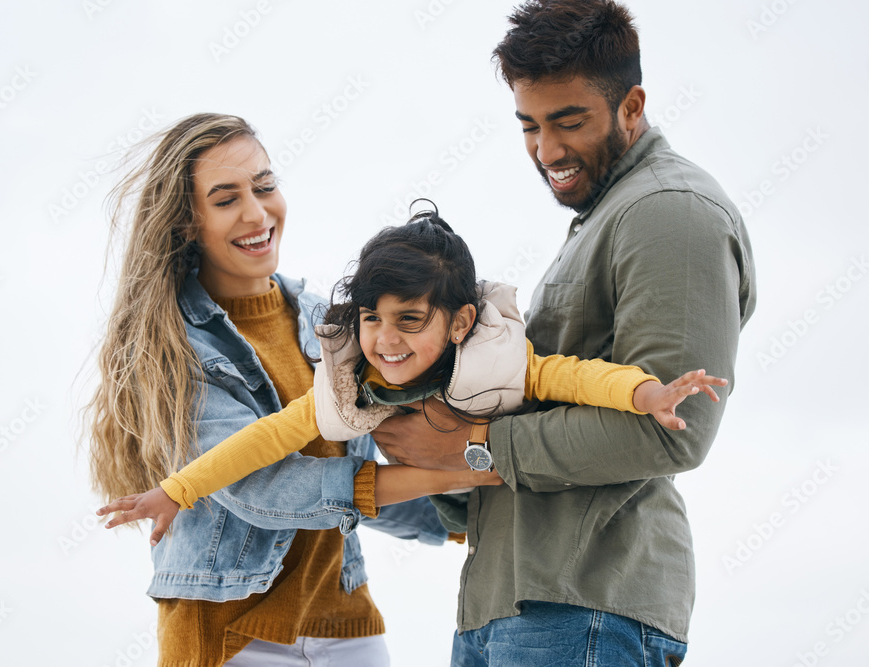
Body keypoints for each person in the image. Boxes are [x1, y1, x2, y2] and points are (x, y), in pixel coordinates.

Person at [370, 2, 757, 665]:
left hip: (583, 611)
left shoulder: (668, 213)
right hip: (512, 605)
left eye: (568, 122)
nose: (547, 151)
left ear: (631, 106)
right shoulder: (605, 216)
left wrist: (471, 444)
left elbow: (676, 425)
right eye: (529, 125)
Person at [86, 114, 472, 667]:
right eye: (225, 199)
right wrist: (468, 472)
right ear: (186, 223)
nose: (256, 212)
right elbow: (262, 486)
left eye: (264, 186)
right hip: (229, 633)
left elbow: (372, 476)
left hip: (345, 621)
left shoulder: (331, 324)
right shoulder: (170, 347)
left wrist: (468, 512)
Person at [101, 207, 727, 544]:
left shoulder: (495, 359)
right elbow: (263, 440)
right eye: (372, 318)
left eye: (410, 320)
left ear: (459, 325)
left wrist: (647, 392)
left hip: (532, 484)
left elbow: (573, 376)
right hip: (456, 505)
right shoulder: (354, 383)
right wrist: (176, 491)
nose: (385, 340)